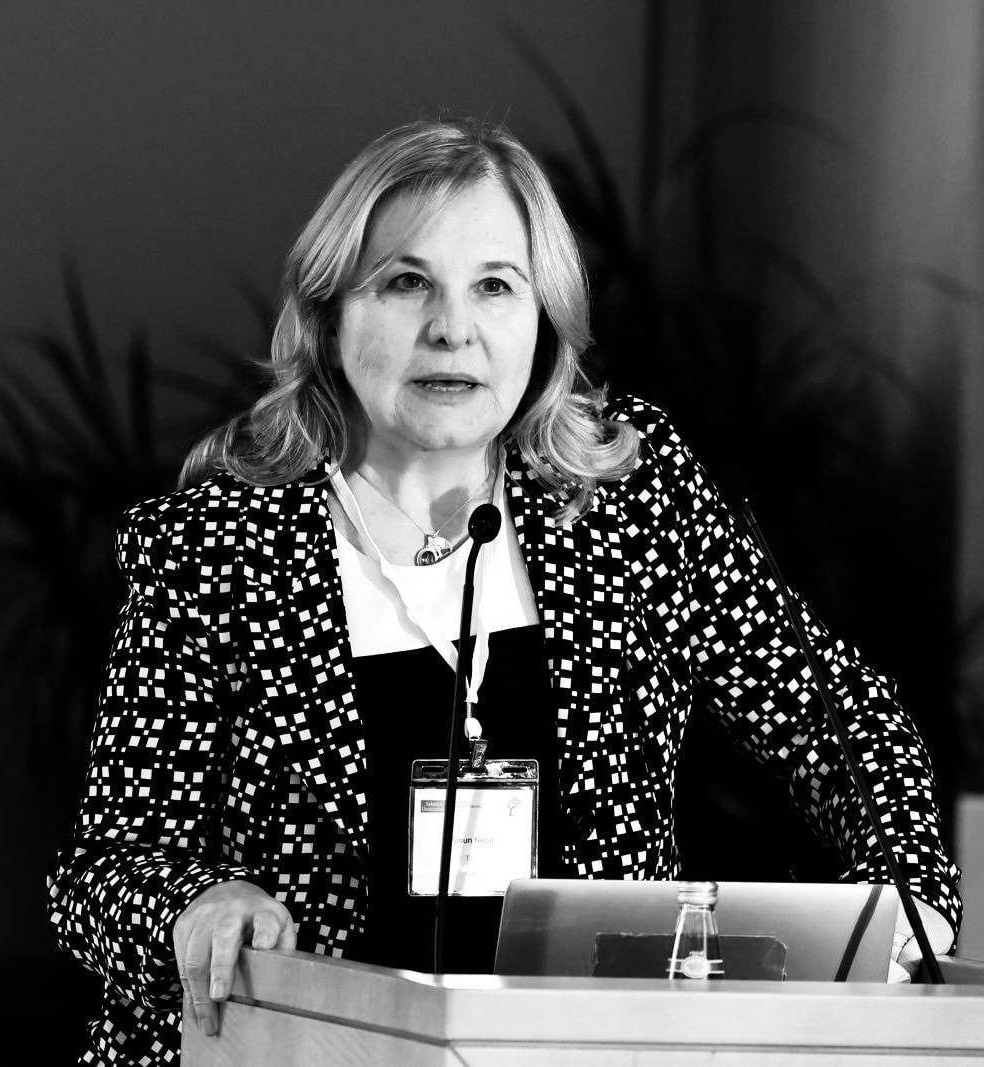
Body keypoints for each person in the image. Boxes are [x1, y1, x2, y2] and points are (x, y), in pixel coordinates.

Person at [49, 118, 961, 1065]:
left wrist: (911, 894)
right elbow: (103, 867)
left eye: (494, 285)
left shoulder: (625, 497)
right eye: (405, 282)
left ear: (542, 319)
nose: (453, 327)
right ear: (328, 318)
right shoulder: (216, 550)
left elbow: (834, 714)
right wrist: (197, 904)